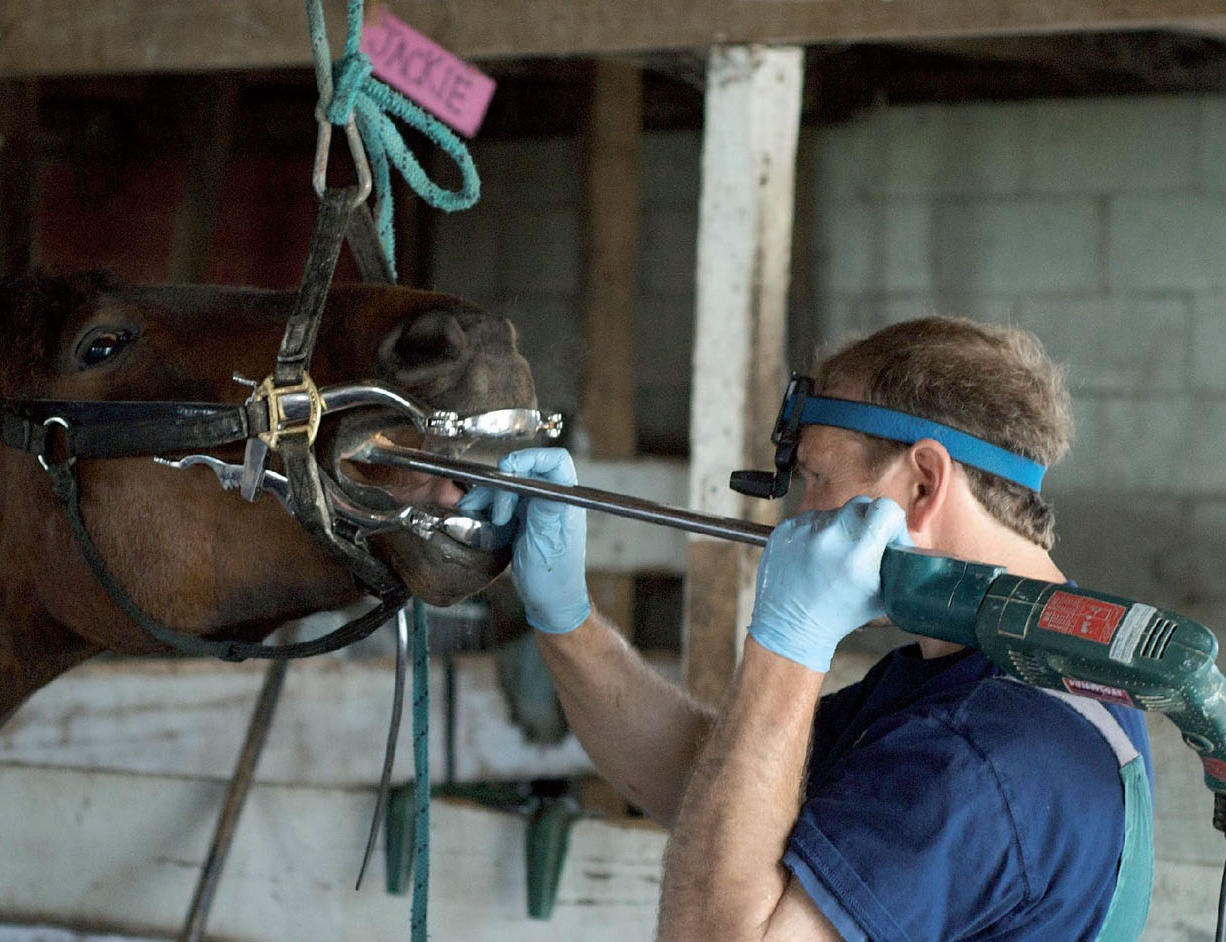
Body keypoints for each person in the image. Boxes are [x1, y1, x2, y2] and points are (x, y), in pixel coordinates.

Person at [457, 316, 1153, 941]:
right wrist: (564, 616)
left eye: (817, 477)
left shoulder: (978, 751)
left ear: (922, 485)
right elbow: (712, 785)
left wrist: (789, 641)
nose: (797, 520)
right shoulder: (1021, 665)